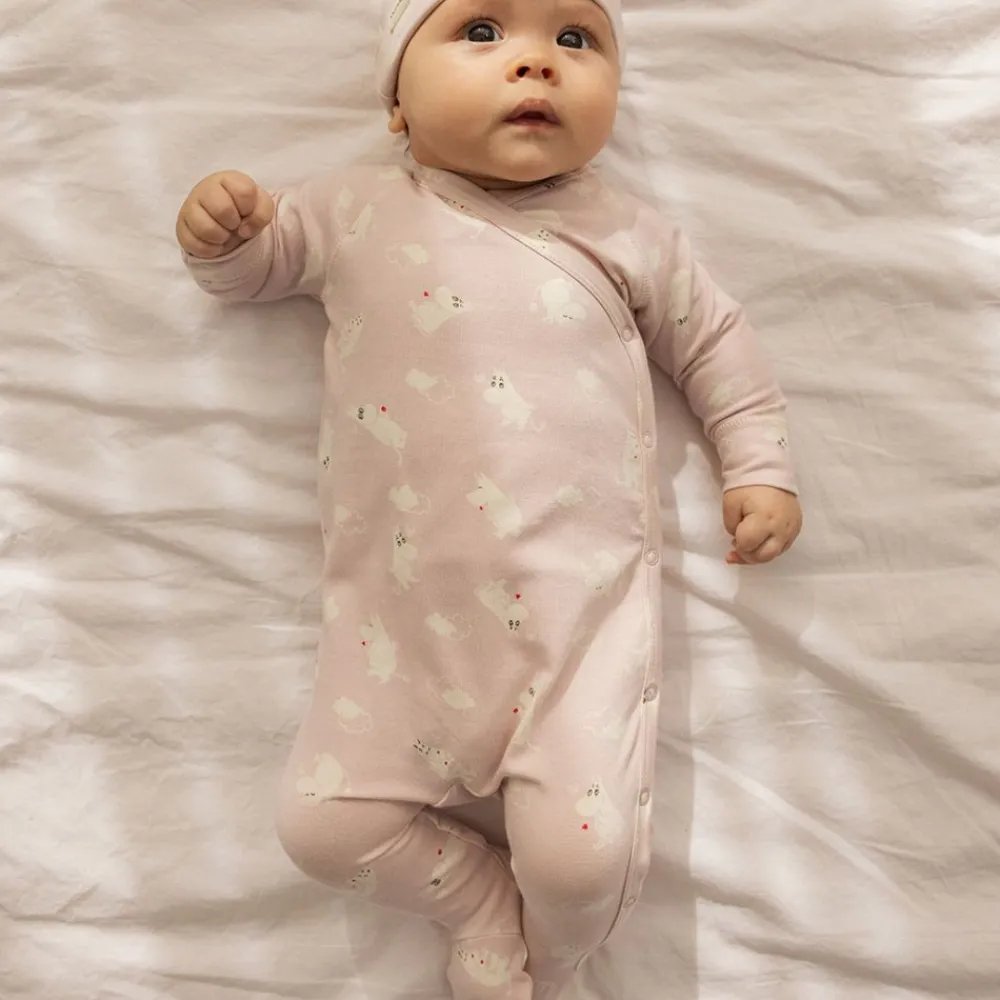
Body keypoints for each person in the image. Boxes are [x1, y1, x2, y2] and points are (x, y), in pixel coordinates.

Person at [175, 0, 803, 996]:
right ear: (396, 104)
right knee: (322, 829)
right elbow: (251, 270)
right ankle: (474, 901)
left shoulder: (627, 234)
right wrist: (225, 228)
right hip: (392, 637)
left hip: (573, 630)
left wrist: (757, 464)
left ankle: (547, 967)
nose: (535, 63)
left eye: (575, 39)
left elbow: (716, 345)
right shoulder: (351, 208)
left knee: (582, 863)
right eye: (480, 31)